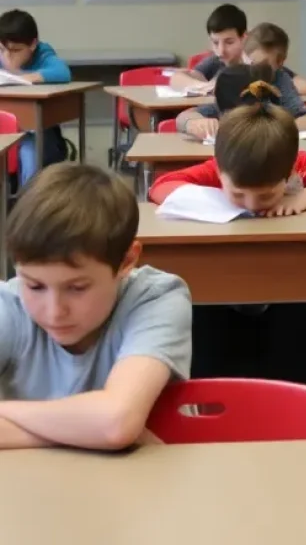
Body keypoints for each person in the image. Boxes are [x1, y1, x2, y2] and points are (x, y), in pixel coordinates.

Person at [149, 79, 306, 391]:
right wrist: (214, 199)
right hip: (225, 296)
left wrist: (305, 197)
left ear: (287, 176)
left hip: (290, 295)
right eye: (239, 194)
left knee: (301, 328)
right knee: (199, 315)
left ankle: (305, 384)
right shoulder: (222, 167)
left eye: (265, 195)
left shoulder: (296, 163)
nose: (251, 205)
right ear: (220, 173)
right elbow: (161, 186)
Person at [0, 163, 191, 450]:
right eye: (35, 286)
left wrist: (6, 413)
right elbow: (114, 429)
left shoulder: (157, 297)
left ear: (127, 261)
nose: (54, 311)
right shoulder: (8, 306)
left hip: (140, 486)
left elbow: (115, 423)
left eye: (77, 288)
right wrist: (87, 432)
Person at [176, 46, 306, 140]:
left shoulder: (269, 107)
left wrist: (273, 129)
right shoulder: (228, 98)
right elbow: (183, 117)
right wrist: (194, 123)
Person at [0, 9, 70, 184]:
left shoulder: (42, 53)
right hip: (5, 131)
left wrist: (25, 77)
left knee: (28, 151)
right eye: (2, 50)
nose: (7, 56)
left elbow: (62, 72)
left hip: (37, 133)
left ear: (33, 44)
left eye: (15, 50)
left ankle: (27, 202)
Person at [168, 2, 248, 91]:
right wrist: (206, 86)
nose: (221, 51)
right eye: (215, 43)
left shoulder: (253, 64)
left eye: (229, 42)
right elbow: (176, 79)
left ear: (243, 38)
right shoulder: (216, 61)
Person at [242, 22, 306, 96]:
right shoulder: (239, 69)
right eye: (252, 63)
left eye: (264, 66)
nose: (256, 69)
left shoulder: (279, 75)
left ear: (280, 62)